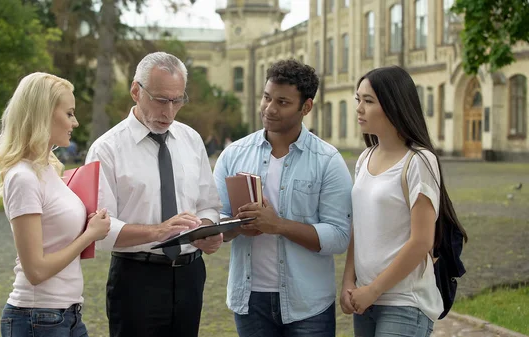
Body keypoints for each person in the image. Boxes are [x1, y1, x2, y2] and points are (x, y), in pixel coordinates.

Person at [85, 52, 223, 337]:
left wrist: (208, 230)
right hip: (136, 280)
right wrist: (158, 232)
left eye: (177, 101)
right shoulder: (106, 149)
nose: (169, 112)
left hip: (190, 276)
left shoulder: (191, 140)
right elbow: (99, 231)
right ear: (136, 91)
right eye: (161, 100)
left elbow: (208, 204)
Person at [213, 59, 353, 337]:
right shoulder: (233, 155)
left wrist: (277, 225)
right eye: (266, 97)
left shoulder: (328, 161)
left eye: (282, 102)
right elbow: (214, 219)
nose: (269, 109)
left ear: (307, 107)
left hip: (308, 304)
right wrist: (238, 226)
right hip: (250, 302)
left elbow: (339, 236)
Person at [340, 66, 467, 336]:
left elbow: (421, 242)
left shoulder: (419, 161)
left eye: (368, 101)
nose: (359, 108)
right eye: (358, 100)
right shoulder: (364, 159)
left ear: (393, 104)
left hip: (404, 302)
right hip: (365, 299)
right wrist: (348, 281)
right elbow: (358, 228)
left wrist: (374, 290)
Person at [0, 72, 111, 337]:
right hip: (37, 317)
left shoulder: (49, 170)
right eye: (69, 114)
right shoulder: (23, 177)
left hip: (66, 313)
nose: (75, 122)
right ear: (43, 114)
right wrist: (90, 234)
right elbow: (36, 270)